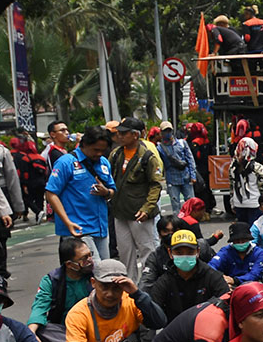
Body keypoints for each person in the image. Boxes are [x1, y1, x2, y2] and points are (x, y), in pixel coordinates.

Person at [45, 125, 114, 263]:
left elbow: (112, 190)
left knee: (105, 270)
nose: (99, 153)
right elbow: (51, 193)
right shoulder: (66, 163)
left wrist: (106, 192)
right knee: (93, 270)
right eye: (96, 150)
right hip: (78, 230)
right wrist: (68, 222)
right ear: (85, 144)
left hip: (100, 228)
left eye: (103, 150)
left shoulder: (103, 163)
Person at [108, 116, 164, 281]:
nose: (120, 136)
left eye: (124, 133)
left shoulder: (147, 157)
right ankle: (129, 286)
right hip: (120, 212)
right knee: (125, 253)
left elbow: (155, 185)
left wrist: (147, 208)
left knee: (147, 250)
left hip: (140, 213)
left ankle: (149, 283)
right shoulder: (116, 155)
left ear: (135, 135)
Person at [28, 236, 93, 342]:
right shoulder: (51, 280)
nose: (90, 261)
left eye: (90, 255)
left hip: (95, 326)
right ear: (69, 264)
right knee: (41, 330)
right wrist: (31, 333)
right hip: (65, 330)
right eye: (84, 259)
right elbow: (40, 306)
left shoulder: (96, 275)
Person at [149, 230, 230, 321]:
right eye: (179, 253)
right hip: (175, 331)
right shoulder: (164, 282)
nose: (185, 257)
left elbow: (227, 305)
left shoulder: (212, 276)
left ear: (198, 252)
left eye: (190, 252)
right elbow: (153, 314)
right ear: (170, 253)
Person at [210, 221, 263, 286]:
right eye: (237, 241)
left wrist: (234, 280)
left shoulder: (259, 253)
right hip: (229, 285)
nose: (240, 243)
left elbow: (255, 274)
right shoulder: (225, 251)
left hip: (252, 285)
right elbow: (211, 266)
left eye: (243, 240)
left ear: (249, 239)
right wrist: (222, 278)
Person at [156, 121, 196, 210]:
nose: (168, 133)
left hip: (186, 177)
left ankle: (190, 222)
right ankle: (178, 222)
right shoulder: (159, 148)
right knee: (175, 205)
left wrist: (193, 175)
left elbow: (190, 159)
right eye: (165, 131)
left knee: (190, 203)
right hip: (172, 179)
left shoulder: (182, 143)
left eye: (169, 130)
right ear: (161, 133)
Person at [230, 137, 263, 225]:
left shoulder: (232, 167)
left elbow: (232, 187)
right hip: (255, 203)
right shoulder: (257, 167)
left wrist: (232, 203)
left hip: (238, 203)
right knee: (255, 231)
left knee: (243, 232)